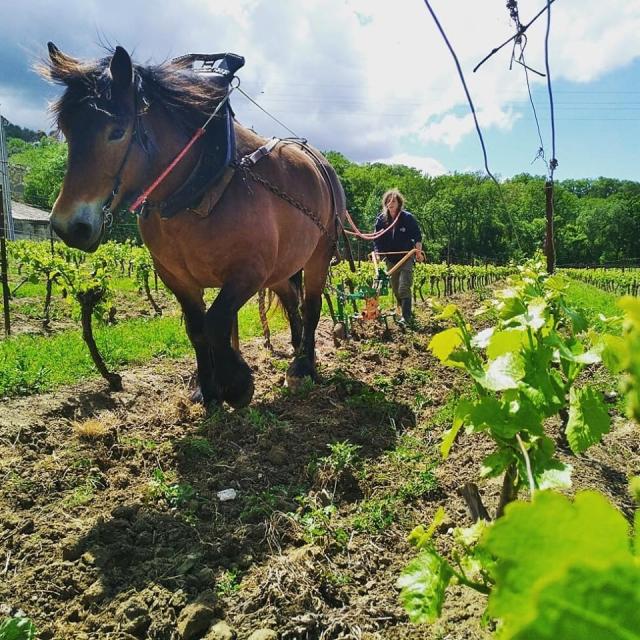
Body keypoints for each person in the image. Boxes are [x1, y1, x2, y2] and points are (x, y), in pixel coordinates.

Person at [373, 189, 425, 323]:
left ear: (399, 203)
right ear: (385, 204)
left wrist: (418, 252)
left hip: (406, 256)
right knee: (395, 288)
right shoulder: (381, 219)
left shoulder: (407, 218)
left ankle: (406, 317)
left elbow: (417, 236)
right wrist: (378, 253)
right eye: (388, 201)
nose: (391, 203)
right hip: (391, 258)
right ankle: (402, 310)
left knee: (404, 286)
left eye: (393, 201)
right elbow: (376, 239)